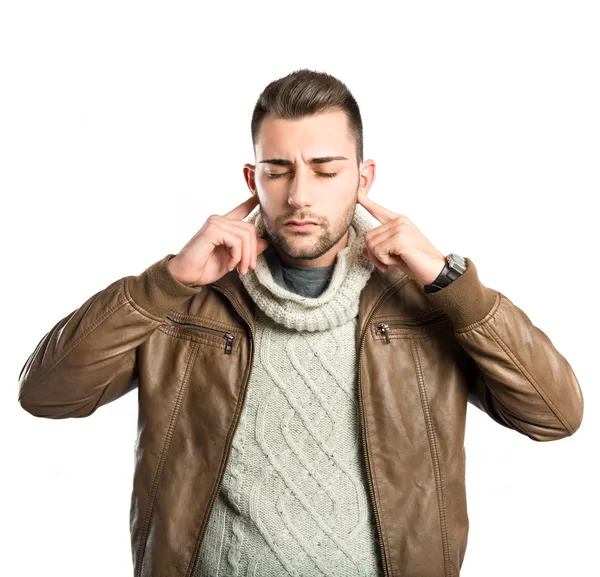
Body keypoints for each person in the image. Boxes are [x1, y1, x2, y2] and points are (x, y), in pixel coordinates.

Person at [18, 68, 584, 577]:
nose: (299, 195)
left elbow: (555, 415)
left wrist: (449, 283)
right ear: (251, 178)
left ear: (364, 179)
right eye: (278, 170)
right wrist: (165, 283)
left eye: (324, 169)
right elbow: (47, 395)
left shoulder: (425, 301)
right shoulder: (184, 298)